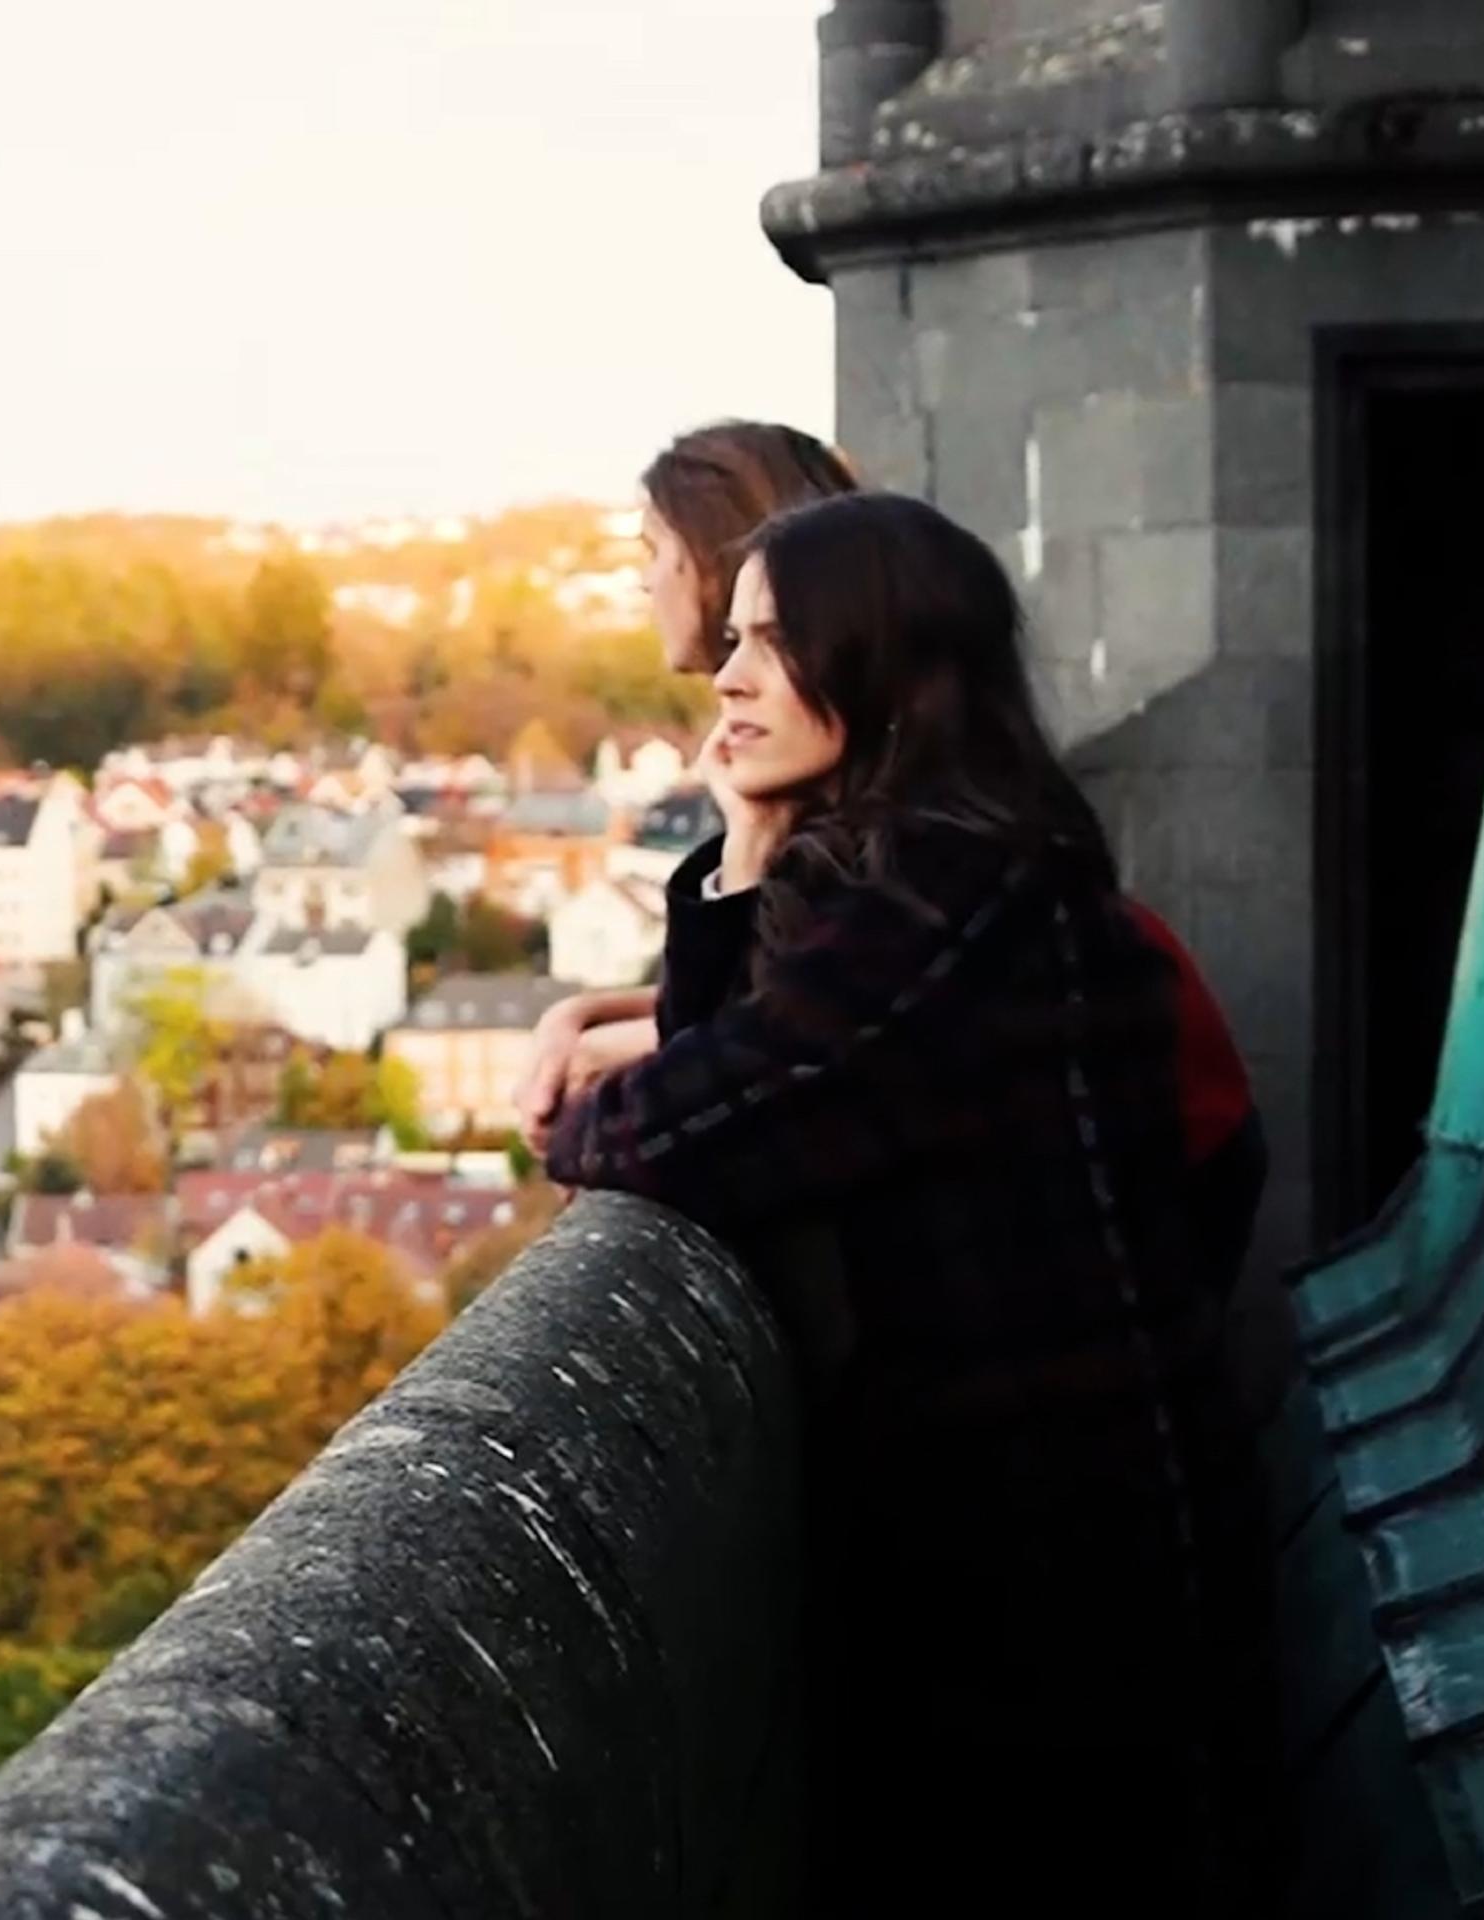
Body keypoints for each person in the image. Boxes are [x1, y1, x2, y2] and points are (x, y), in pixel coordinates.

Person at [540, 492, 1286, 1915]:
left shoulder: (948, 904)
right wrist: (745, 844)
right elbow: (728, 1068)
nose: (729, 679)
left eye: (774, 643)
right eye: (732, 640)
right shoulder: (969, 866)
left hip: (1057, 1581)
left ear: (883, 656)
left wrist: (602, 1088)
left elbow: (661, 1127)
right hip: (1067, 1540)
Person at [513, 422, 860, 1122]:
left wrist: (610, 1051)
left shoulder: (830, 789)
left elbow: (777, 1031)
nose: (645, 580)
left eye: (654, 550)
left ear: (711, 559)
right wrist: (585, 1014)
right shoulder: (799, 748)